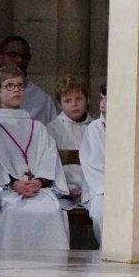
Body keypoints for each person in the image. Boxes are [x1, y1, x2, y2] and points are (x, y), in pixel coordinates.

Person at [0, 64, 69, 250]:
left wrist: (39, 182)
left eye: (20, 85)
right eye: (9, 85)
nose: (16, 90)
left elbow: (49, 157)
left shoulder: (38, 127)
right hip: (6, 190)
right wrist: (14, 184)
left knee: (51, 210)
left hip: (37, 188)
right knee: (14, 211)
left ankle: (52, 266)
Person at [46, 75, 94, 207]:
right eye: (67, 101)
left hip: (92, 190)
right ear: (59, 104)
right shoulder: (52, 130)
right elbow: (50, 166)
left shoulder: (96, 128)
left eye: (78, 99)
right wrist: (66, 188)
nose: (74, 104)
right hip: (63, 191)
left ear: (87, 99)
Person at [79, 84, 106, 246]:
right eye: (102, 98)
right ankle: (107, 251)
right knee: (101, 213)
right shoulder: (93, 129)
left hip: (126, 189)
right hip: (100, 189)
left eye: (109, 99)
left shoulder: (131, 127)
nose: (103, 104)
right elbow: (92, 166)